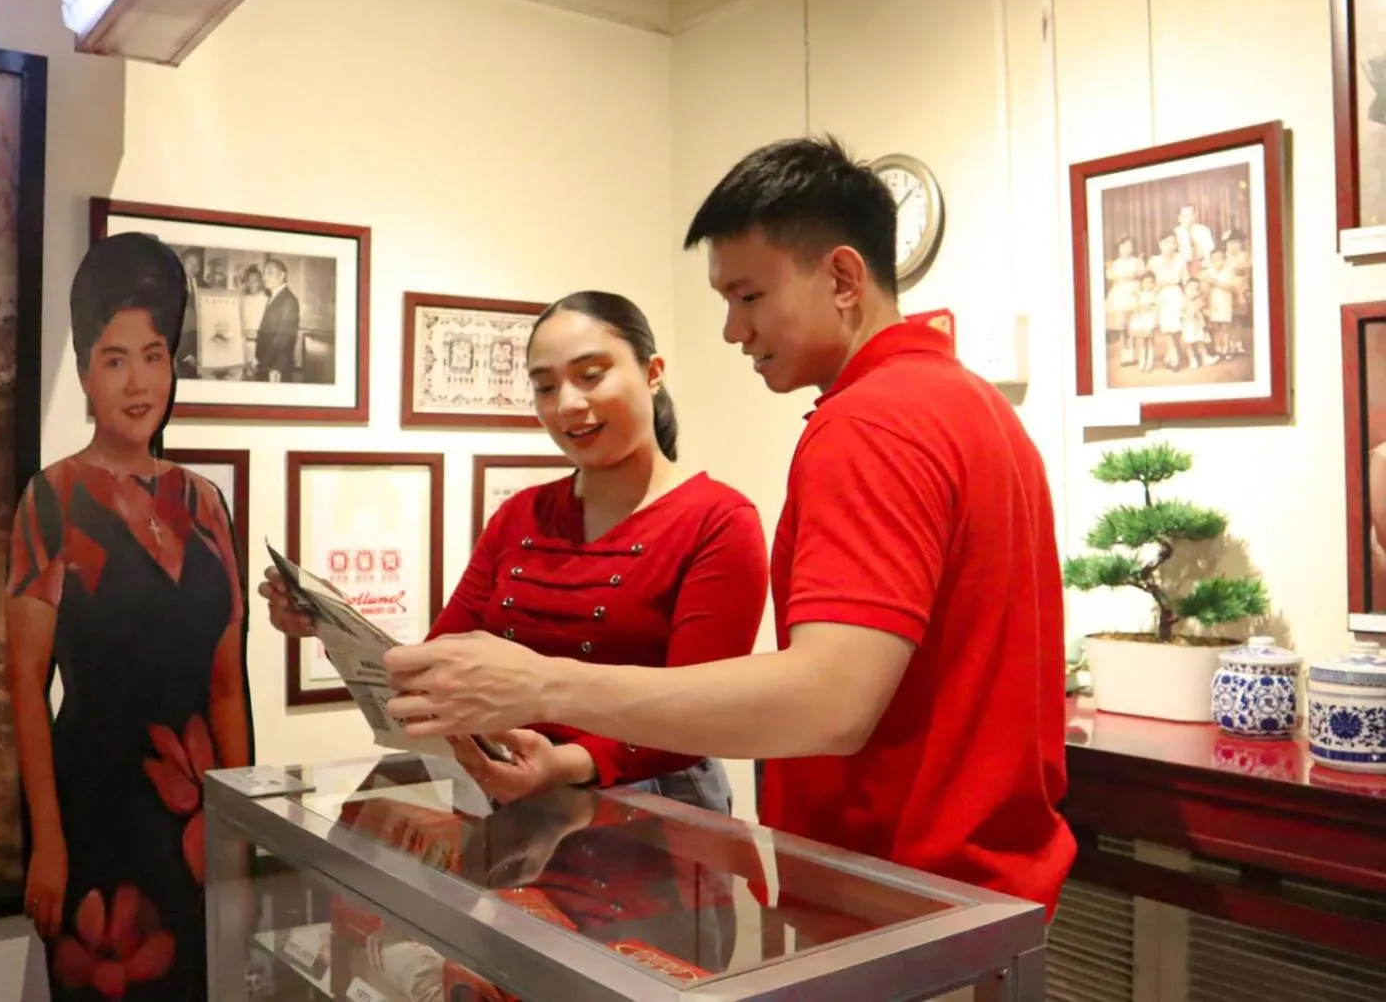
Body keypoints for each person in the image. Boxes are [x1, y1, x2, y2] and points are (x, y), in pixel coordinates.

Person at [374, 136, 1076, 918]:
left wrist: (543, 683)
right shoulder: (973, 405)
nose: (733, 331)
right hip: (976, 890)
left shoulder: (867, 424)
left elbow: (830, 700)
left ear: (842, 278)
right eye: (545, 385)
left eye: (748, 297)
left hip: (904, 891)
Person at [260, 291, 769, 814]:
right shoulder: (521, 515)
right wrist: (332, 623)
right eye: (545, 386)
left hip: (653, 808)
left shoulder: (718, 520)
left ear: (653, 371)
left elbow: (701, 716)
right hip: (510, 788)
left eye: (591, 375)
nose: (567, 404)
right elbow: (445, 654)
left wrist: (563, 763)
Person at [6, 233, 252, 1000]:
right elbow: (24, 687)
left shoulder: (206, 505)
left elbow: (225, 688)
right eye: (115, 359)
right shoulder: (50, 501)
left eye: (154, 354)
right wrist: (47, 841)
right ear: (84, 372)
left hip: (195, 824)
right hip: (96, 819)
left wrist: (240, 825)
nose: (139, 381)